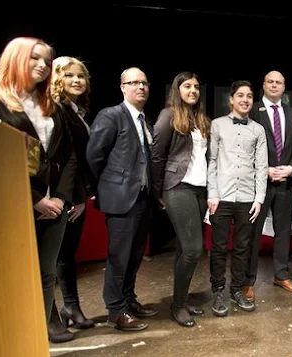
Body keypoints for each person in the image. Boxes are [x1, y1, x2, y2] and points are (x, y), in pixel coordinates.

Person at [0, 37, 77, 342]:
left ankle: (37, 340)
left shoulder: (50, 104)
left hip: (55, 203)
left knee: (45, 273)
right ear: (15, 58)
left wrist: (61, 198)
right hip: (12, 204)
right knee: (12, 277)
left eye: (47, 60)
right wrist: (36, 200)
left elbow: (68, 155)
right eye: (35, 59)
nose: (43, 65)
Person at [86, 67, 157, 331]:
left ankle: (128, 300)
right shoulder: (111, 115)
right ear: (122, 87)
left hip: (142, 199)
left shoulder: (145, 121)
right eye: (134, 82)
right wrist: (104, 187)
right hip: (121, 199)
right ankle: (115, 311)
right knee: (119, 257)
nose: (140, 87)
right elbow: (94, 156)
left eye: (144, 82)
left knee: (135, 255)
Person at [151, 72, 210, 326]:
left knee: (184, 250)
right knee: (193, 249)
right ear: (178, 89)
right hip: (178, 187)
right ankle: (177, 305)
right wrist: (158, 190)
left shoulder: (200, 119)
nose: (193, 90)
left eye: (196, 87)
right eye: (187, 86)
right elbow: (157, 155)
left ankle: (181, 300)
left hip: (199, 189)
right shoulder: (168, 115)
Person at [207, 80, 268, 317]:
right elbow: (212, 161)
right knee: (219, 247)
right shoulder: (217, 125)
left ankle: (237, 290)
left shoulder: (258, 130)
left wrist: (259, 198)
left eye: (249, 96)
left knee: (243, 247)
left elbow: (262, 166)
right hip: (222, 196)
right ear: (231, 99)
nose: (245, 99)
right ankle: (218, 291)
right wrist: (212, 193)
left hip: (247, 198)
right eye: (240, 95)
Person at [244, 70, 292, 302]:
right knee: (253, 233)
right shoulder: (253, 110)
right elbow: (245, 145)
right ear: (264, 85)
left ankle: (281, 275)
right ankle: (248, 282)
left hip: (285, 182)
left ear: (284, 87)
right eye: (270, 81)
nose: (275, 85)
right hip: (259, 182)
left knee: (283, 232)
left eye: (279, 82)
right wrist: (263, 169)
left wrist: (291, 168)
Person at [48, 56, 95, 339]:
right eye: (69, 76)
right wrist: (73, 197)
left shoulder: (74, 110)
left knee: (67, 256)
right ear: (56, 79)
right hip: (62, 196)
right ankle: (57, 314)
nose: (76, 80)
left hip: (76, 194)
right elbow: (67, 158)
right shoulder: (57, 109)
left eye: (81, 76)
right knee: (56, 258)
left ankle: (72, 308)